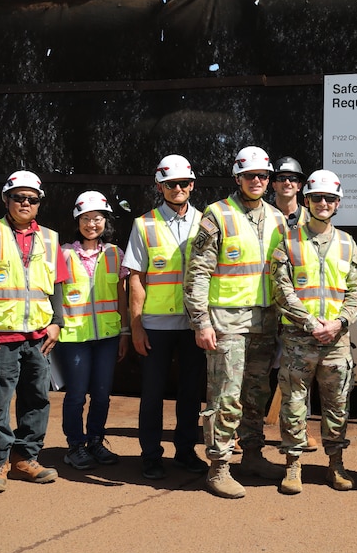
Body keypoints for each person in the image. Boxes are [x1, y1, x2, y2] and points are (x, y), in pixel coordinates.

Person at [185, 145, 287, 498]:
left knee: (256, 393)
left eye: (262, 176)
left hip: (265, 322)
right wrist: (201, 321)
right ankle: (219, 467)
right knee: (225, 395)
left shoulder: (277, 218)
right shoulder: (217, 214)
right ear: (237, 178)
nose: (256, 181)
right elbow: (198, 271)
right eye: (250, 175)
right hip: (226, 321)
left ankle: (253, 456)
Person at [0, 170, 69, 493]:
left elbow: (56, 285)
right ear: (6, 199)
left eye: (32, 199)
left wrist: (58, 322)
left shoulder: (50, 238)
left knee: (37, 399)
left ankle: (25, 459)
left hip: (39, 337)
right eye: (19, 197)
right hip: (2, 337)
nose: (25, 203)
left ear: (39, 203)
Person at [270, 169, 357, 494]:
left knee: (337, 405)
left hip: (336, 342)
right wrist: (311, 324)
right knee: (294, 404)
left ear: (338, 203)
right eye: (317, 197)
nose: (324, 203)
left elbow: (356, 293)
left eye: (330, 198)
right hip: (299, 341)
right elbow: (282, 291)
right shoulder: (287, 240)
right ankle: (292, 466)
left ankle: (335, 466)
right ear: (307, 201)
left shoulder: (348, 244)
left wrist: (338, 323)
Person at [125, 155, 209, 480]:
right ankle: (150, 456)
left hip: (192, 325)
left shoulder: (206, 221)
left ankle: (186, 453)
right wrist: (136, 327)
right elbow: (135, 279)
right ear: (160, 186)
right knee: (152, 394)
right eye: (171, 184)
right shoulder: (143, 224)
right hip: (156, 326)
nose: (178, 188)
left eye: (184, 183)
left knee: (191, 393)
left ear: (192, 184)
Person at [57, 191, 131, 470]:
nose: (92, 224)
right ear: (77, 221)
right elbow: (54, 293)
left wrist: (124, 332)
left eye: (97, 218)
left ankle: (96, 440)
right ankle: (75, 445)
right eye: (86, 218)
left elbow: (121, 295)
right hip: (74, 336)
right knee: (76, 394)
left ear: (106, 221)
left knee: (101, 393)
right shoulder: (63, 254)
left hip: (108, 337)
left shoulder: (115, 253)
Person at [266, 155, 316, 452]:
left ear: (301, 185)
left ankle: (299, 430)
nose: (287, 183)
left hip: (298, 307)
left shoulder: (313, 219)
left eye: (293, 178)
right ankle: (238, 431)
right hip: (263, 304)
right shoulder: (261, 216)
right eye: (282, 177)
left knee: (301, 371)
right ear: (273, 182)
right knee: (254, 371)